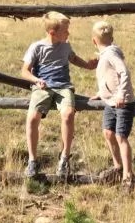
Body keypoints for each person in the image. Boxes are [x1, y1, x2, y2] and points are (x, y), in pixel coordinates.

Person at [21, 11, 96, 179]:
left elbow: (74, 59)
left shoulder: (66, 46)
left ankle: (64, 158)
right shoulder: (37, 47)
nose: (68, 34)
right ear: (52, 32)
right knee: (33, 117)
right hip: (43, 86)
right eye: (65, 31)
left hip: (63, 86)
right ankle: (32, 160)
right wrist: (36, 80)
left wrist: (88, 66)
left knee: (68, 114)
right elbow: (24, 71)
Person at [93, 19, 135, 188]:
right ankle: (118, 166)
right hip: (110, 101)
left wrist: (121, 94)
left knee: (121, 136)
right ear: (111, 38)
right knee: (108, 133)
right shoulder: (106, 55)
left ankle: (128, 176)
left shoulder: (111, 54)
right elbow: (108, 76)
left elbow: (124, 72)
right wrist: (101, 93)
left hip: (122, 102)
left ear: (93, 41)